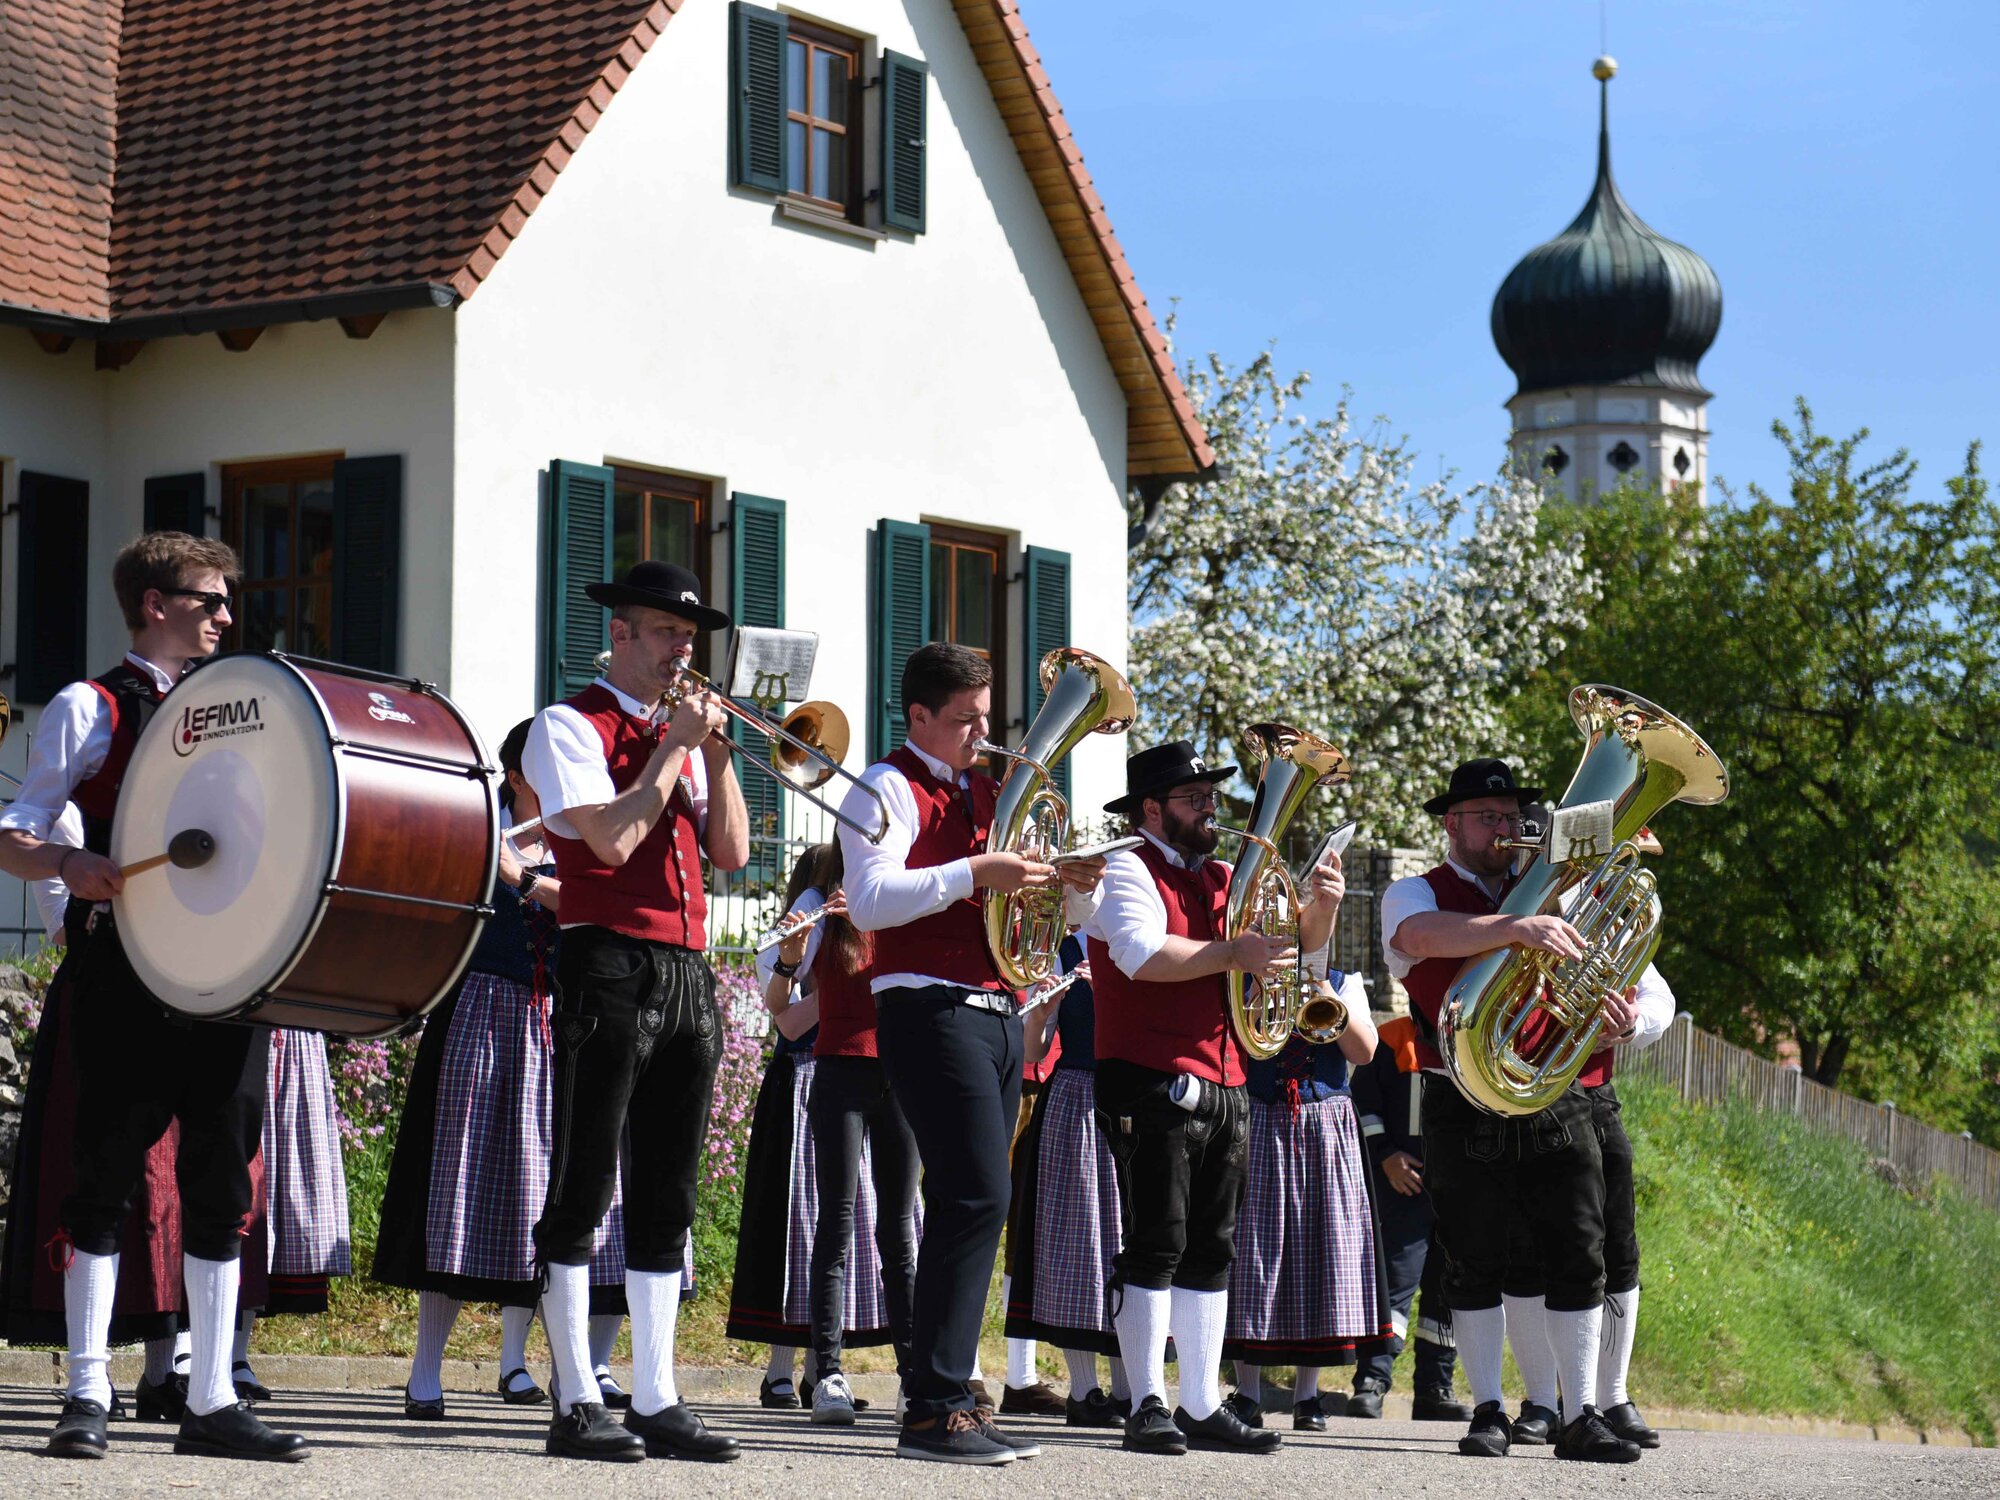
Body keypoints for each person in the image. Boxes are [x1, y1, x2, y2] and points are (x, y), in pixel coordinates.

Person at [0, 531, 306, 1461]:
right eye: (208, 598)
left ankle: (210, 1398)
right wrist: (68, 862)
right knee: (101, 1179)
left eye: (226, 598)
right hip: (125, 970)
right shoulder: (87, 706)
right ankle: (85, 1391)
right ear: (153, 603)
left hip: (232, 974)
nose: (225, 614)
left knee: (222, 1184)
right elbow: (13, 831)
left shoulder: (252, 711)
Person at [834, 642, 1104, 1466]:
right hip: (923, 1003)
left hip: (996, 1007)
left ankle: (950, 1397)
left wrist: (1071, 882)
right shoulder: (884, 786)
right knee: (974, 1194)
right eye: (963, 721)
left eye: (988, 718)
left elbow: (1067, 921)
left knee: (981, 1199)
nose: (983, 736)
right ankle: (934, 1406)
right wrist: (973, 871)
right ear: (917, 716)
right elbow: (873, 898)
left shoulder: (992, 790)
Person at [522, 559, 749, 1463]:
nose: (681, 649)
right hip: (608, 963)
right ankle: (575, 1395)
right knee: (584, 1183)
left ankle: (656, 1394)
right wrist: (671, 751)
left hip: (688, 970)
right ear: (620, 633)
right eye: (666, 633)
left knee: (669, 1190)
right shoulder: (567, 725)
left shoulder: (683, 741)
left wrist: (718, 754)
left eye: (688, 637)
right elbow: (610, 843)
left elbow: (729, 851)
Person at [1080, 740, 1342, 1457]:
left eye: (1210, 796)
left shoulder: (1225, 874)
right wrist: (1232, 954)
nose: (1211, 809)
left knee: (1210, 1250)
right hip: (1149, 1075)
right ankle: (1148, 1404)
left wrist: (1318, 909)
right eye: (1195, 799)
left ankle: (1197, 1400)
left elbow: (1286, 949)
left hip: (1225, 1079)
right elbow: (1138, 953)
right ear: (1152, 810)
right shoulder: (1124, 868)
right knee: (1156, 1244)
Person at [1379, 757, 1643, 1463]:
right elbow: (1421, 941)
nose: (1502, 829)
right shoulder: (1413, 892)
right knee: (1475, 1260)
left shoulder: (1564, 898)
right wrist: (1517, 927)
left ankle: (1579, 1413)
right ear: (1451, 824)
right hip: (1459, 1099)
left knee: (1578, 1254)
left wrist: (1614, 1020)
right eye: (1486, 817)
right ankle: (1489, 1410)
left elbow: (1615, 977)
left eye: (1509, 817)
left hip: (1553, 1096)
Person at [374, 720, 632, 1418]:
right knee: (460, 1192)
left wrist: (533, 876)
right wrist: (499, 859)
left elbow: (613, 911)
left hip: (574, 1024)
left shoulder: (588, 839)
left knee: (591, 1201)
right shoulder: (481, 831)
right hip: (492, 1016)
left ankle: (579, 1372)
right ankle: (425, 1373)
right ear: (518, 777)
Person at [1495, 956, 1676, 1449]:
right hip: (1520, 1095)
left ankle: (1612, 1396)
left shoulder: (1599, 908)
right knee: (1524, 1248)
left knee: (1618, 1245)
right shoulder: (1508, 898)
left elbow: (1660, 995)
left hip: (1593, 1094)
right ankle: (1539, 1402)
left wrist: (1632, 1021)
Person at [1222, 972, 1384, 1433]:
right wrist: (1253, 994)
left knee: (1320, 1254)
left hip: (1323, 1124)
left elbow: (1364, 1051)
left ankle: (1307, 1396)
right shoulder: (1239, 977)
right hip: (1258, 1116)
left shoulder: (1344, 980)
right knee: (1253, 1255)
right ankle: (1248, 1392)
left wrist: (1329, 999)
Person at [1001, 934, 1131, 1428]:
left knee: (1131, 1243)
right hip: (1076, 1098)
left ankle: (1128, 1389)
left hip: (1133, 1099)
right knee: (1078, 1246)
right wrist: (1043, 1009)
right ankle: (1084, 1390)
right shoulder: (1065, 951)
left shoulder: (1146, 943)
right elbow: (1034, 1048)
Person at [1347, 1010, 1466, 1421]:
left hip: (1457, 1187)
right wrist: (1385, 1157)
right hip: (1403, 1189)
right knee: (1393, 1286)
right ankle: (1372, 1382)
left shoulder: (1474, 1037)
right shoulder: (1392, 1037)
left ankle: (1435, 1389)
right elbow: (1361, 1103)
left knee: (1448, 1292)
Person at [233, 1026, 354, 1402]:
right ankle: (181, 1356)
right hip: (235, 1026)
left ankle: (236, 1355)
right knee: (228, 1185)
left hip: (293, 1039)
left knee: (265, 1209)